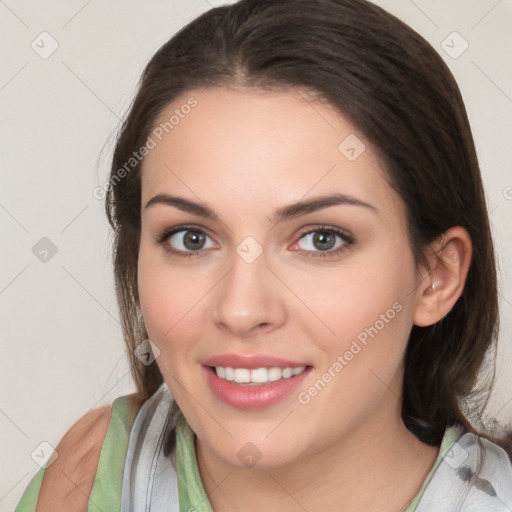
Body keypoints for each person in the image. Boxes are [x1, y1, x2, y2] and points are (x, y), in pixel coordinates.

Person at [15, 0, 512, 510]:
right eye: (191, 237)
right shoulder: (87, 480)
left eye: (322, 239)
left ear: (437, 275)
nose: (241, 310)